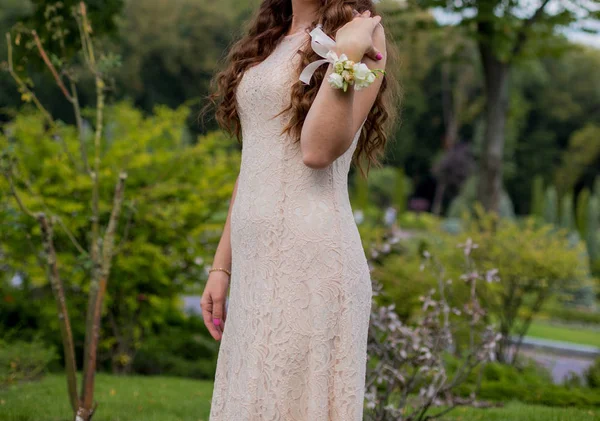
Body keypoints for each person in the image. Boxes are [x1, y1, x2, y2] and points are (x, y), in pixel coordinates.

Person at [200, 0, 399, 419]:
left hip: (311, 260)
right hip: (257, 265)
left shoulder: (361, 31)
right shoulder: (271, 36)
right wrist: (222, 266)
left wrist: (344, 56)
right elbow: (255, 162)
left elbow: (317, 150)